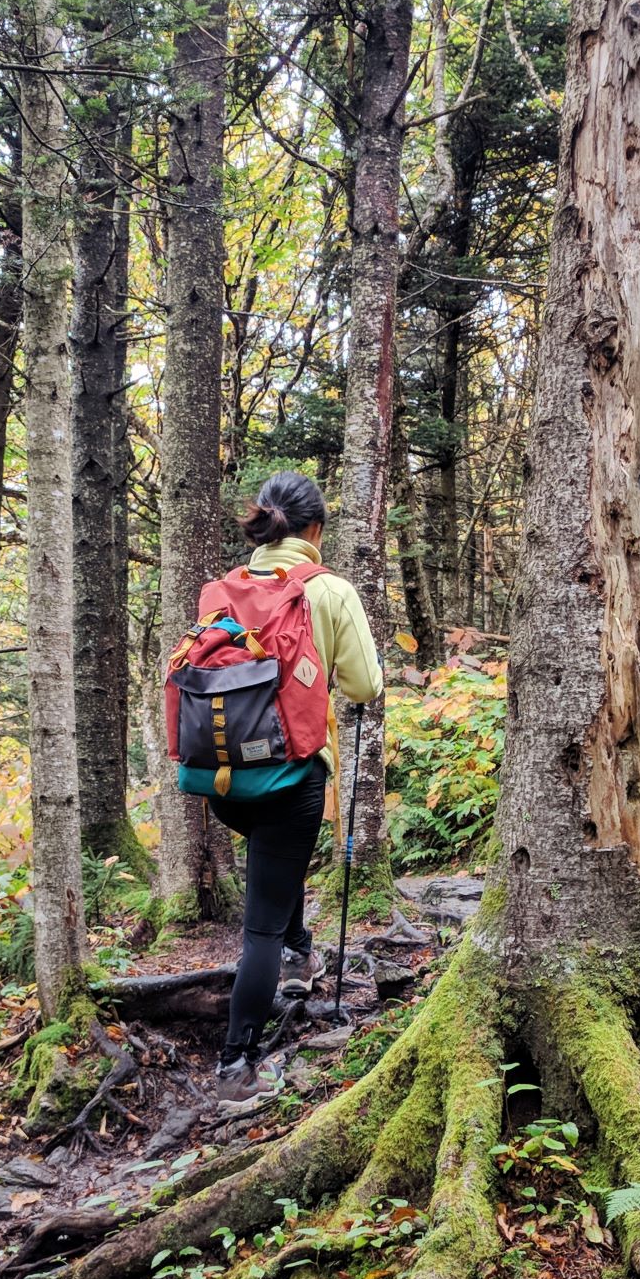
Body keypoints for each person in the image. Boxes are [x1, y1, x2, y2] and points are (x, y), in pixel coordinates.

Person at [209, 472, 382, 1113]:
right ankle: (236, 1065)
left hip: (224, 779)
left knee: (272, 874)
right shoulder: (328, 590)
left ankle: (300, 954)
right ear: (314, 531)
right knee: (261, 919)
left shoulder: (225, 591)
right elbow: (364, 687)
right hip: (291, 776)